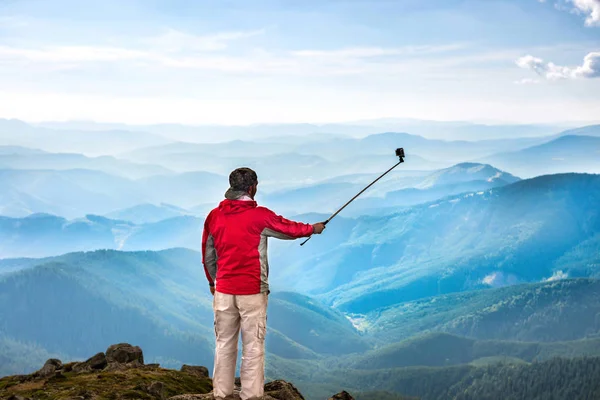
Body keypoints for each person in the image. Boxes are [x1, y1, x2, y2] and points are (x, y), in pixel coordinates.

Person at [202, 167, 326, 400]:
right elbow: (287, 229)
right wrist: (313, 229)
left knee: (224, 343)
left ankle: (221, 393)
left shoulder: (214, 216)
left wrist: (212, 281)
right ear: (252, 188)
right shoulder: (260, 215)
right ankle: (250, 395)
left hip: (223, 290)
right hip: (252, 291)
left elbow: (208, 254)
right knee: (253, 346)